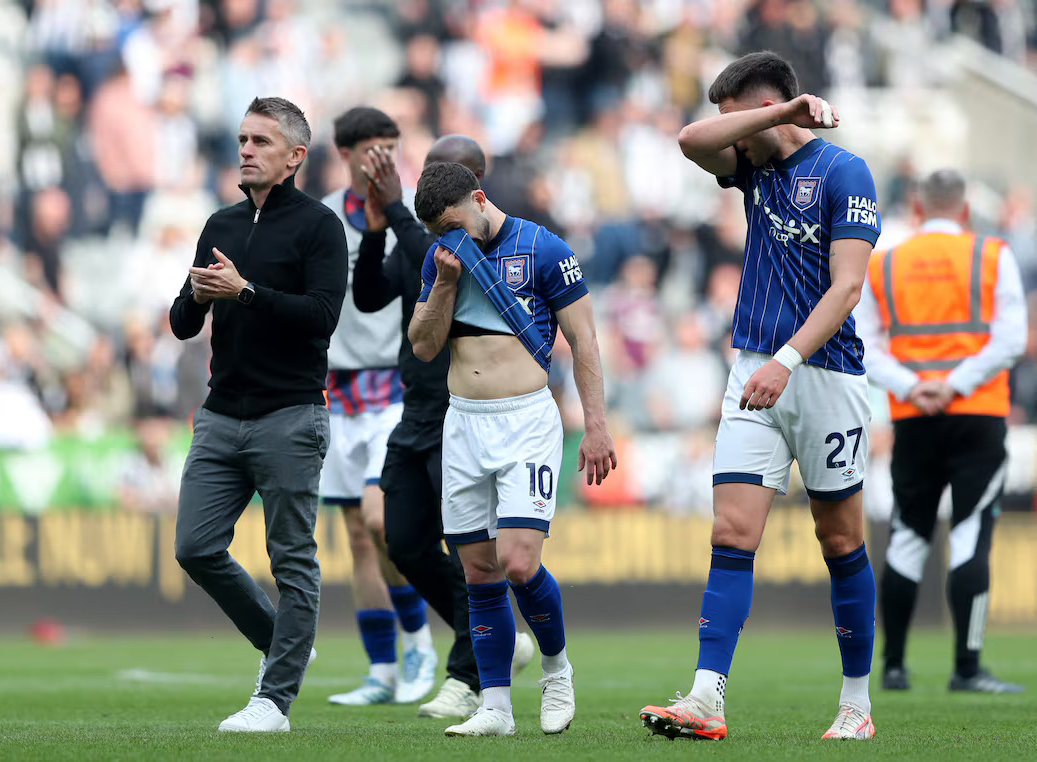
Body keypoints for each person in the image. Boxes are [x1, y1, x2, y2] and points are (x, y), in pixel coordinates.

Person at [638, 51, 881, 742]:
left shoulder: (844, 171)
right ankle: (707, 698)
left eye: (735, 117)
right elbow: (688, 142)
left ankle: (856, 705)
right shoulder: (751, 164)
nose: (729, 134)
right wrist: (770, 117)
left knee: (838, 539)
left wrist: (788, 359)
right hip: (751, 370)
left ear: (768, 102)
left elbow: (847, 289)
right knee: (731, 533)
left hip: (825, 376)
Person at [408, 161, 617, 737]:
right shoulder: (440, 259)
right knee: (477, 571)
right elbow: (424, 347)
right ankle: (495, 708)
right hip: (464, 423)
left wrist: (596, 424)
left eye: (454, 225)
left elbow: (584, 340)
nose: (448, 239)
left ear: (479, 199)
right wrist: (445, 284)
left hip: (524, 420)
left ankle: (556, 669)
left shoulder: (544, 248)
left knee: (518, 563)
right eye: (436, 232)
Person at [169, 96, 348, 732]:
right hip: (221, 414)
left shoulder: (319, 227)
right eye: (243, 139)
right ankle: (285, 643)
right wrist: (195, 295)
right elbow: (182, 321)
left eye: (261, 142)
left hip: (290, 415)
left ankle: (273, 702)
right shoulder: (218, 223)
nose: (245, 150)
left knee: (292, 559)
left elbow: (323, 317)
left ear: (295, 157)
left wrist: (246, 291)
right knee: (194, 547)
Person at [353, 135, 535, 719]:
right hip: (416, 408)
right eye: (425, 176)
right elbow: (369, 294)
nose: (428, 190)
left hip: (462, 409)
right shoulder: (420, 235)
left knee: (470, 551)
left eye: (442, 178)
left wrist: (400, 213)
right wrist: (380, 222)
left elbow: (425, 246)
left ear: (475, 186)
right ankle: (499, 641)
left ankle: (469, 673)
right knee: (401, 539)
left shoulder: (481, 246)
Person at [855, 169, 1026, 694]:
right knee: (971, 534)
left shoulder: (885, 264)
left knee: (908, 536)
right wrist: (956, 385)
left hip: (914, 418)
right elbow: (1010, 339)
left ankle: (893, 667)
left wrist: (914, 388)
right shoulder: (992, 256)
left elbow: (863, 341)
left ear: (916, 207)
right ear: (966, 210)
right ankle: (967, 669)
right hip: (979, 414)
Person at [320, 106, 437, 706]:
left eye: (393, 147)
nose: (384, 160)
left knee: (379, 520)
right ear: (345, 154)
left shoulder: (411, 212)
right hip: (334, 394)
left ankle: (418, 640)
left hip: (392, 388)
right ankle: (382, 670)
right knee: (356, 538)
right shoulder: (317, 219)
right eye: (373, 150)